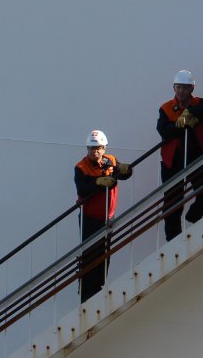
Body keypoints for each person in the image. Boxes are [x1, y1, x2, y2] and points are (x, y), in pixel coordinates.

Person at [73, 129, 129, 303]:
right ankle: (87, 295)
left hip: (107, 219)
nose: (94, 151)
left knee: (104, 255)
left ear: (104, 148)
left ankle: (98, 288)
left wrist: (126, 170)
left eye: (97, 148)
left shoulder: (110, 161)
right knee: (89, 256)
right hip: (90, 219)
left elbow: (123, 172)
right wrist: (97, 182)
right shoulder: (81, 167)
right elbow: (82, 188)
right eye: (91, 148)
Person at [156, 70, 203, 241]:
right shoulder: (166, 108)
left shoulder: (197, 103)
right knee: (172, 201)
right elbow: (163, 131)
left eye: (185, 87)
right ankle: (173, 237)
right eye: (178, 87)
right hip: (173, 160)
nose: (181, 91)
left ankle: (193, 216)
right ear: (174, 88)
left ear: (192, 88)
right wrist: (180, 124)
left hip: (196, 156)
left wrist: (190, 113)